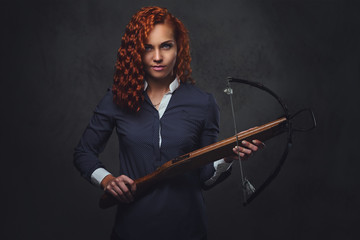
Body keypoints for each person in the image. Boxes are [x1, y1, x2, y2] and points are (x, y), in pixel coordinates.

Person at [74, 6, 262, 240]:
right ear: (136, 52)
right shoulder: (117, 99)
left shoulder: (203, 103)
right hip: (131, 231)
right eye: (147, 48)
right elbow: (83, 152)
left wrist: (227, 156)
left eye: (166, 45)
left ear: (179, 48)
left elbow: (205, 178)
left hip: (188, 230)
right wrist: (107, 180)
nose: (157, 57)